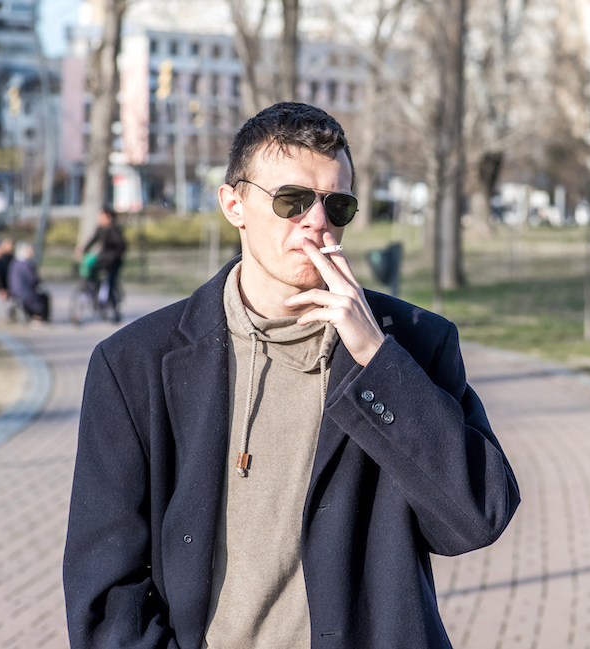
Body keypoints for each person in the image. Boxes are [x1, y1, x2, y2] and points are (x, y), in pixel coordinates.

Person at [63, 102, 519, 649]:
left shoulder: (413, 345)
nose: (317, 222)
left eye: (337, 204)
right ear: (234, 204)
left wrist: (375, 356)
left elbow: (474, 518)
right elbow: (106, 591)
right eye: (292, 201)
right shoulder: (133, 365)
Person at [77, 206, 127, 322]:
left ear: (108, 217)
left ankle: (115, 311)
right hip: (103, 260)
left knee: (111, 284)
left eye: (101, 216)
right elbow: (93, 240)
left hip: (113, 262)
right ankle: (95, 299)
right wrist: (83, 249)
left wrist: (112, 256)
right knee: (92, 275)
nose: (99, 218)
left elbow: (121, 247)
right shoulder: (100, 229)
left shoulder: (115, 230)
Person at [7, 241, 50, 322]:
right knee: (44, 296)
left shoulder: (15, 262)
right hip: (24, 292)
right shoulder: (25, 264)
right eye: (30, 250)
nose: (32, 252)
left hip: (16, 291)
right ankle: (39, 317)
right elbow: (33, 279)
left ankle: (37, 316)